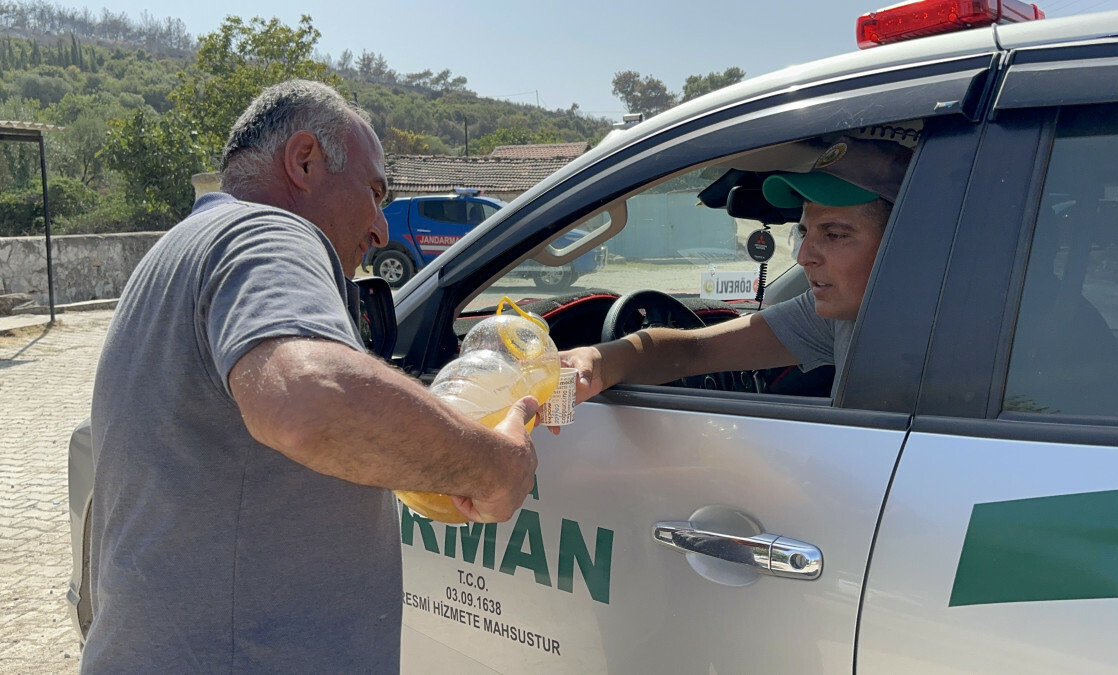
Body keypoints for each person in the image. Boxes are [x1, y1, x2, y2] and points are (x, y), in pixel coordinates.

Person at [83, 80, 538, 672]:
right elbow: (310, 400)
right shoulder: (268, 234)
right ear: (304, 162)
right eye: (374, 193)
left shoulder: (179, 249)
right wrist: (494, 465)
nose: (380, 230)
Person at [559, 135, 911, 401]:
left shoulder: (953, 336)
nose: (804, 256)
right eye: (803, 231)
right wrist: (598, 360)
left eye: (834, 234)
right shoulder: (838, 318)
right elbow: (696, 349)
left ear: (907, 241)